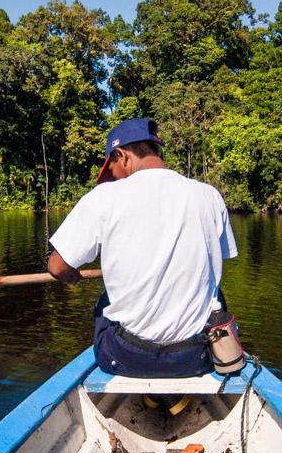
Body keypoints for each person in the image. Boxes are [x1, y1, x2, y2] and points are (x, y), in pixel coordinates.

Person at [47, 118, 237, 378]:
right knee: (216, 293)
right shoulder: (209, 196)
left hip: (127, 357)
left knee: (106, 300)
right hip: (193, 357)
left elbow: (57, 267)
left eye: (111, 170)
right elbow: (216, 261)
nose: (112, 179)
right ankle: (223, 352)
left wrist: (70, 275)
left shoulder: (103, 198)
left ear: (122, 156)